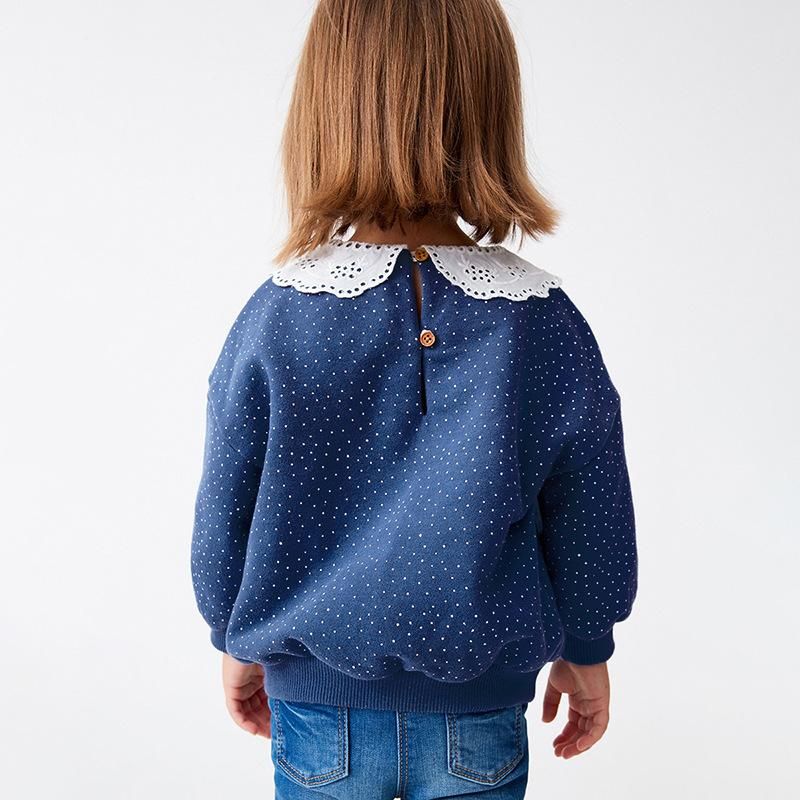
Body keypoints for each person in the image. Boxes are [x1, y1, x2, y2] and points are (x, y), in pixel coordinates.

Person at [190, 1, 638, 797]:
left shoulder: (276, 317)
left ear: (326, 110)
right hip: (479, 714)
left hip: (317, 715)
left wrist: (236, 637)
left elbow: (227, 506)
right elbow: (590, 511)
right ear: (489, 107)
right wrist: (587, 646)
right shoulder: (541, 320)